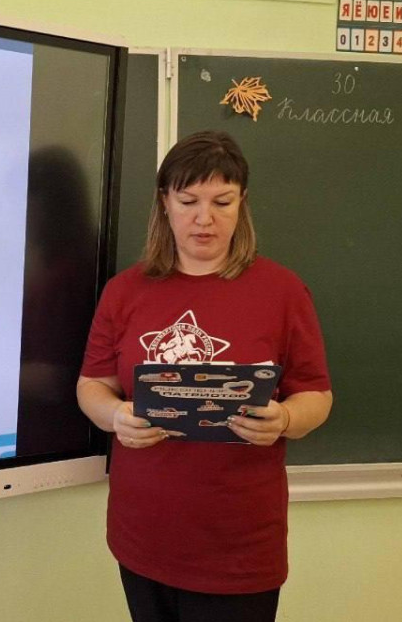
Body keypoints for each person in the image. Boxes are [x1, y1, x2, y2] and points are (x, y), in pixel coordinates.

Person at [77, 130, 333, 622]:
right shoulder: (125, 291)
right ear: (165, 202)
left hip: (238, 546)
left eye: (222, 202)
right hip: (143, 533)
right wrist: (114, 416)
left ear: (242, 203)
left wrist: (283, 419)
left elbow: (316, 396)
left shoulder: (282, 291)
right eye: (188, 201)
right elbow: (92, 384)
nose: (204, 218)